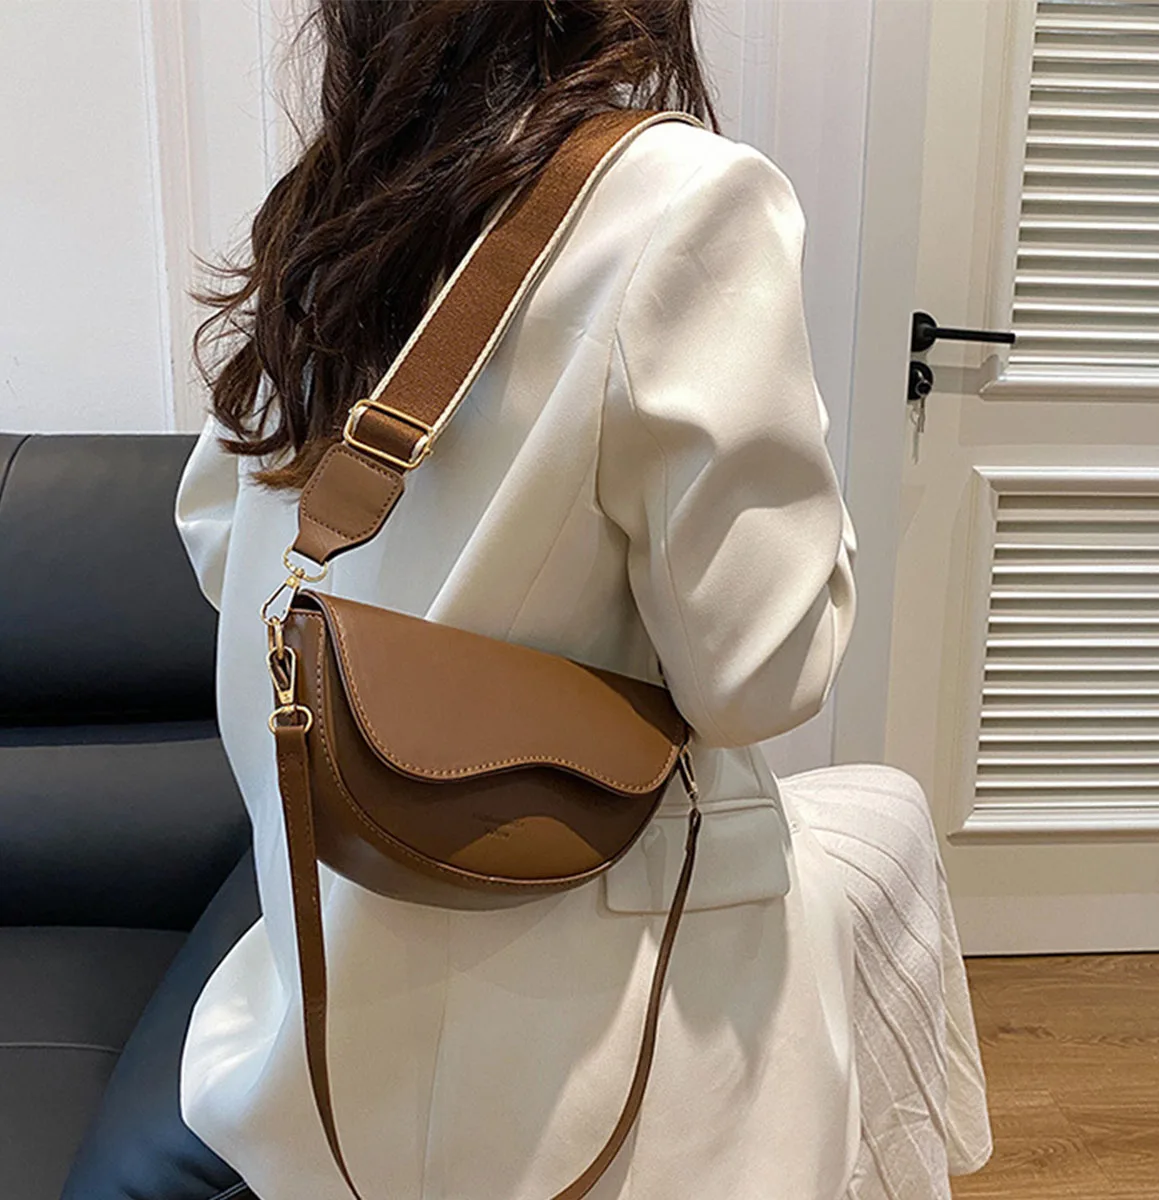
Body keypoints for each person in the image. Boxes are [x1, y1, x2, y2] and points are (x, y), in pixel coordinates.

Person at [174, 2, 864, 1196]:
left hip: (330, 995)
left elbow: (214, 535)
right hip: (593, 1037)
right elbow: (762, 674)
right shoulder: (686, 200)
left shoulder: (331, 203)